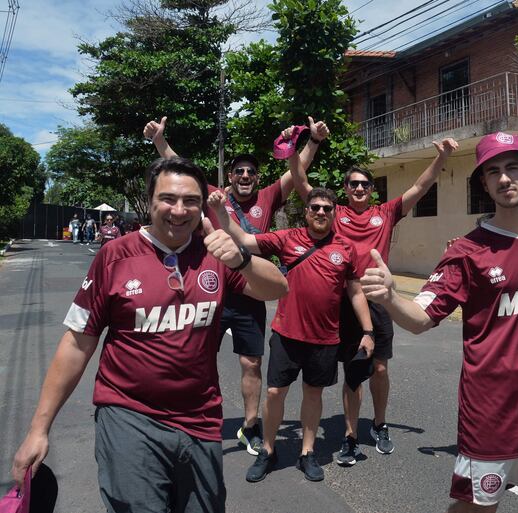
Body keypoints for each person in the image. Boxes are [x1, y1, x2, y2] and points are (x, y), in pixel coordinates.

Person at [11, 157, 289, 513]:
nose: (179, 209)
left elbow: (277, 288)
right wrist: (39, 428)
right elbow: (77, 343)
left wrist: (241, 260)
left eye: (191, 200)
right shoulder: (115, 256)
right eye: (168, 198)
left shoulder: (215, 252)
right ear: (150, 201)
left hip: (201, 420)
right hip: (129, 416)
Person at [360, 132, 518, 513]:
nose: (504, 178)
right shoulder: (467, 251)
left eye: (512, 167)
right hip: (490, 413)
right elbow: (421, 319)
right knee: (476, 509)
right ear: (484, 183)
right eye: (493, 171)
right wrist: (390, 297)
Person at [143, 115, 329, 456]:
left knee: (252, 363)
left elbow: (296, 169)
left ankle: (250, 425)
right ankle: (192, 419)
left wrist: (313, 141)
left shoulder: (270, 196)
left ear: (257, 178)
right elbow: (179, 170)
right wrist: (159, 140)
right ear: (229, 177)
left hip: (250, 293)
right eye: (239, 172)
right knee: (195, 358)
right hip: (207, 289)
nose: (245, 176)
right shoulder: (213, 195)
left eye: (251, 172)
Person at [288, 126, 458, 463]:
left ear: (372, 189)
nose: (360, 188)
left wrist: (442, 157)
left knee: (379, 369)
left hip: (379, 301)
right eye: (353, 184)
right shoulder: (336, 215)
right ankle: (351, 435)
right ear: (346, 190)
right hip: (346, 303)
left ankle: (379, 424)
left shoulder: (386, 213)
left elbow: (420, 187)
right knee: (354, 373)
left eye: (365, 184)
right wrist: (297, 148)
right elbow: (301, 183)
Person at [209, 186, 374, 483]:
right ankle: (268, 451)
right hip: (286, 333)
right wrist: (222, 212)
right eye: (315, 208)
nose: (321, 212)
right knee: (274, 393)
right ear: (307, 212)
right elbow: (245, 239)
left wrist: (368, 331)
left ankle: (307, 453)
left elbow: (356, 292)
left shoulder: (346, 248)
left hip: (325, 338)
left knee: (313, 394)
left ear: (334, 212)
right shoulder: (288, 238)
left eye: (327, 208)